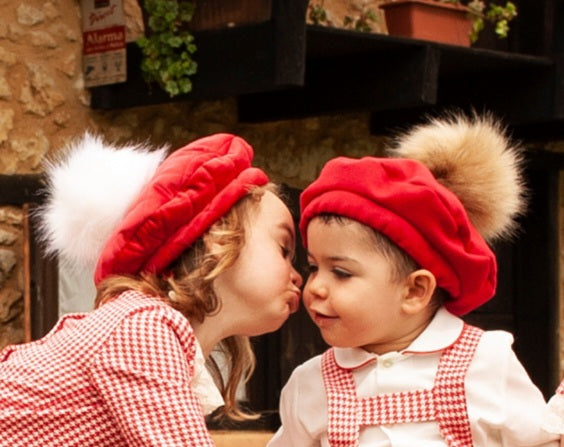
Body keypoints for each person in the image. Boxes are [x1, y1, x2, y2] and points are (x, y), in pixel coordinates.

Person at [267, 113, 560, 446]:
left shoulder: (484, 363)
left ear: (415, 290)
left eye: (341, 273)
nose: (316, 287)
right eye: (313, 267)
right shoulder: (310, 384)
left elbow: (541, 441)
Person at [0, 132, 303, 446]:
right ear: (217, 235)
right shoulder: (143, 326)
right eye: (283, 249)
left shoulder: (152, 333)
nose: (298, 277)